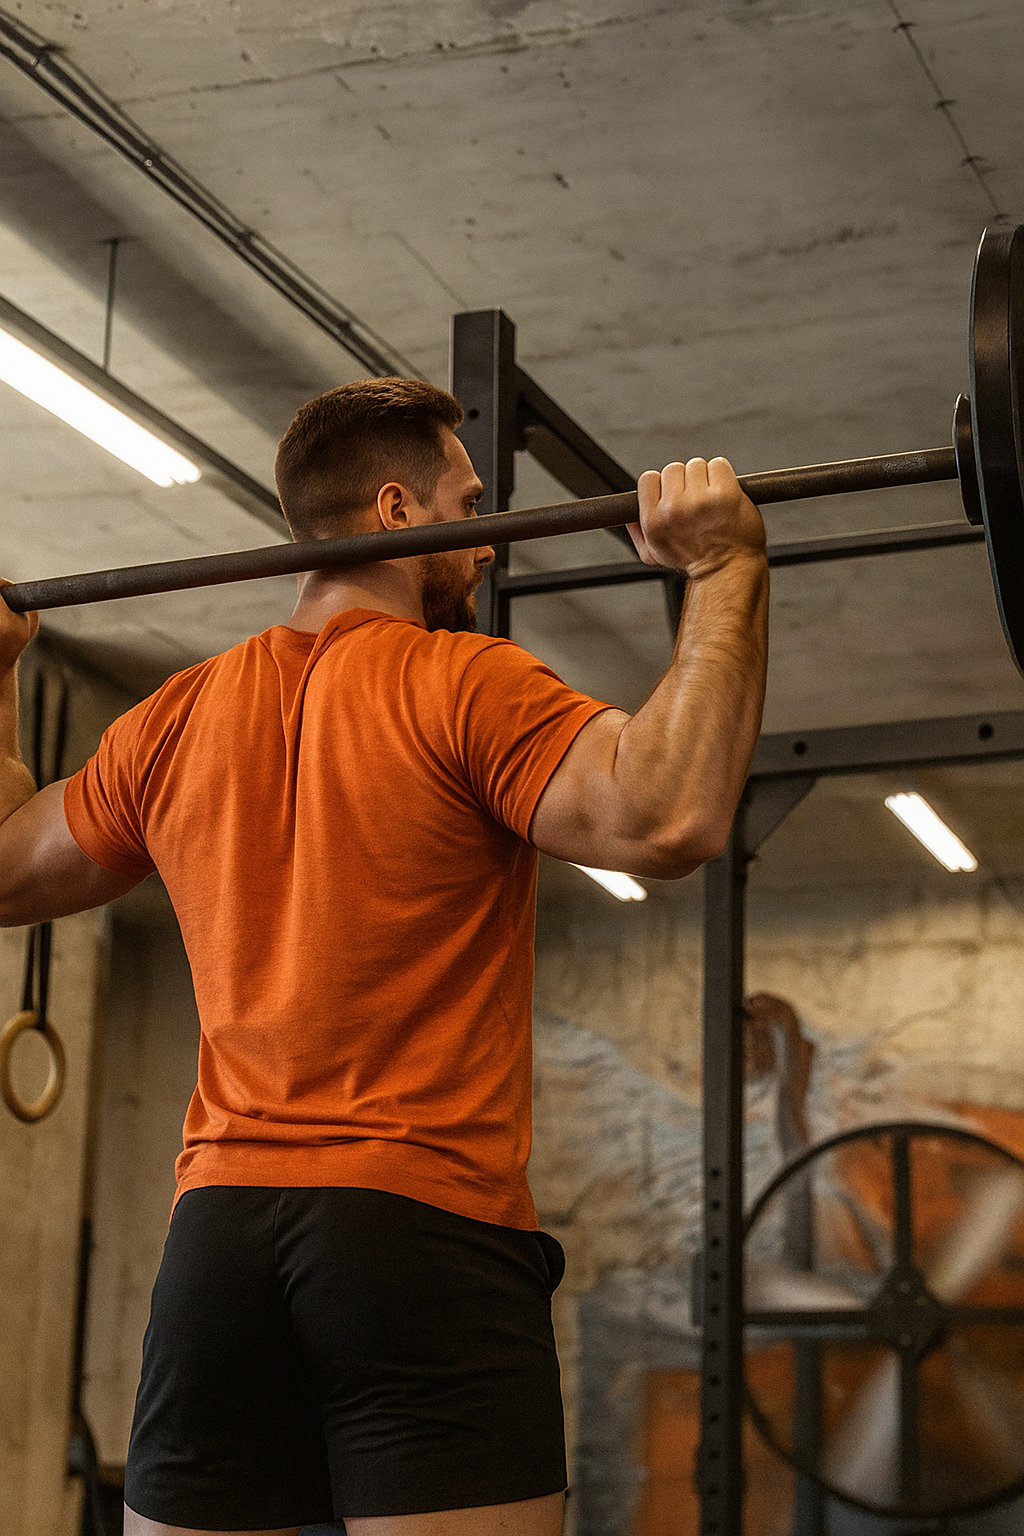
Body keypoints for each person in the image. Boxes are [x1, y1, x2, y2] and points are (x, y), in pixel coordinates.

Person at [0, 378, 769, 1536]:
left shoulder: (176, 717)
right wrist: (725, 574)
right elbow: (668, 818)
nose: (485, 540)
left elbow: (5, 870)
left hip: (217, 1248)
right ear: (402, 511)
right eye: (469, 503)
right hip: (418, 1234)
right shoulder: (466, 685)